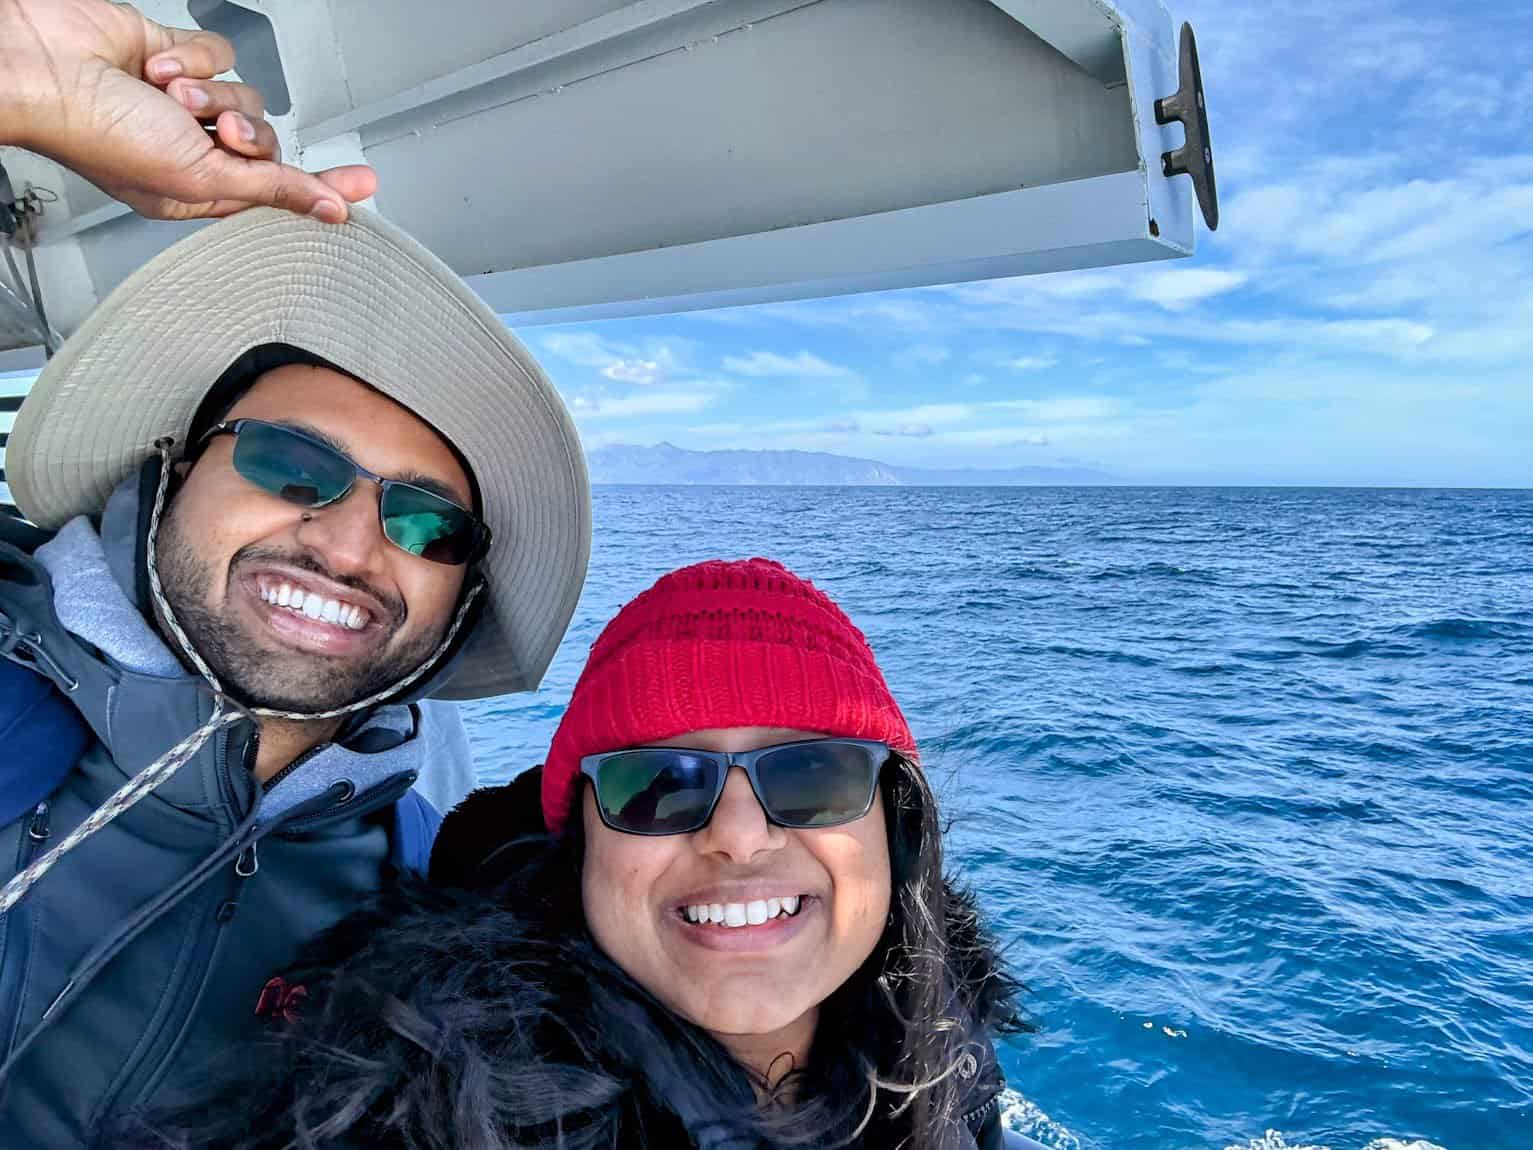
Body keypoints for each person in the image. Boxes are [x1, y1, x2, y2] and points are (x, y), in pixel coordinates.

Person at [0, 1, 589, 1143]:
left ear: (460, 601)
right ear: (167, 475)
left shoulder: (417, 896)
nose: (356, 542)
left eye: (429, 527)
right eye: (291, 462)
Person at [136, 559, 1044, 1150]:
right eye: (659, 787)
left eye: (811, 776)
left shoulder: (939, 1040)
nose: (737, 834)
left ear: (893, 824)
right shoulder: (426, 1110)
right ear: (580, 845)